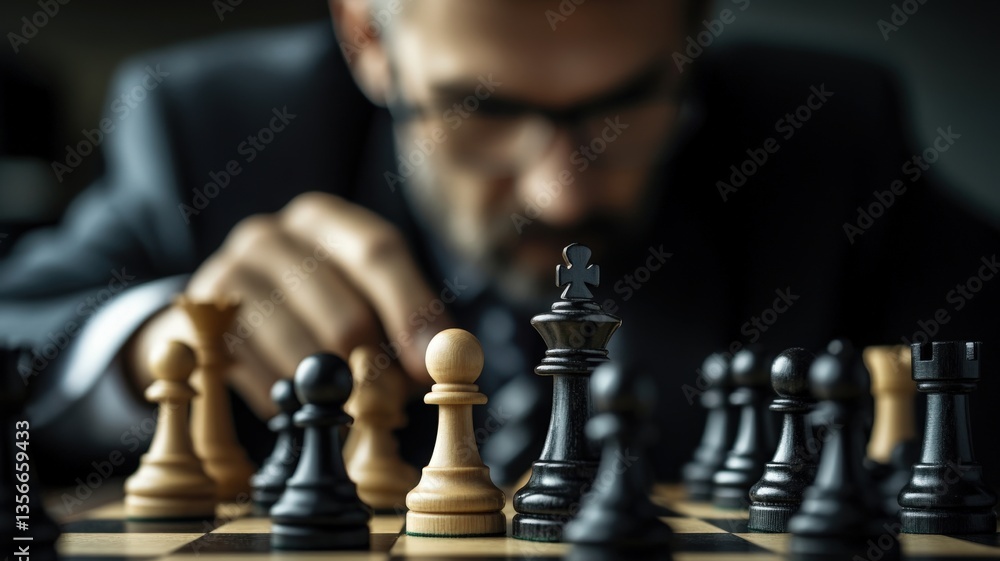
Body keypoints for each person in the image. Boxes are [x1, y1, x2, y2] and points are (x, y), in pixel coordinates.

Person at [2, 0, 998, 486]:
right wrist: (147, 343)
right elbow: (19, 330)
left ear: (691, 38)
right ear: (368, 40)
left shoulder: (823, 129)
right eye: (480, 110)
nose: (560, 189)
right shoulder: (211, 128)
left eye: (623, 104)